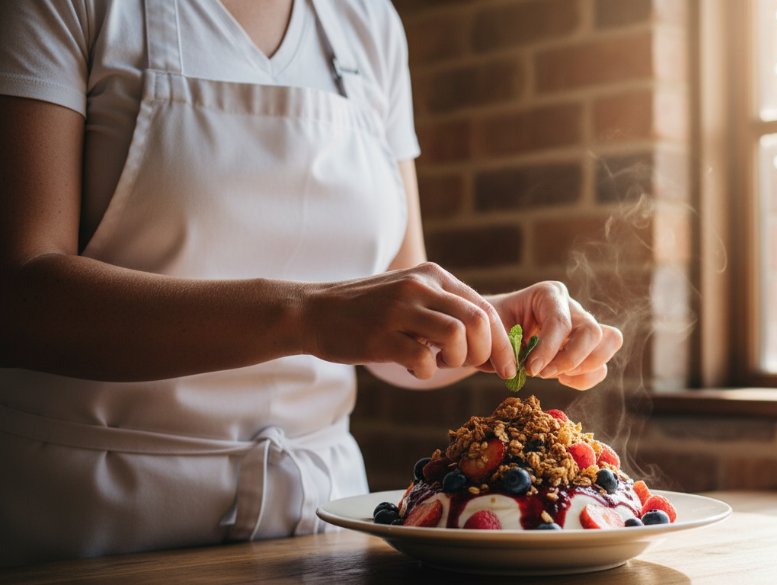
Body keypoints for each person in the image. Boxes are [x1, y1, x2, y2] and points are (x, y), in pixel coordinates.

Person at [0, 0, 623, 567]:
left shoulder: (369, 23)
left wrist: (495, 319)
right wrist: (308, 315)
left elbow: (398, 327)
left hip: (321, 524)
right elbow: (19, 294)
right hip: (94, 522)